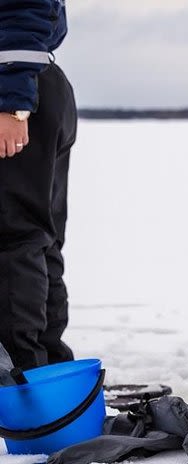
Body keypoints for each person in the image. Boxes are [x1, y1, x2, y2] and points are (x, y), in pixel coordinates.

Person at [0, 0, 77, 370]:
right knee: (37, 241)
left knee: (15, 239)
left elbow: (25, 8)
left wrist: (13, 106)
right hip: (33, 86)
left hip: (18, 93)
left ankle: (22, 375)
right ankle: (50, 372)